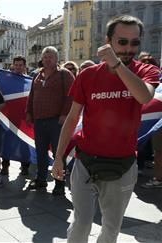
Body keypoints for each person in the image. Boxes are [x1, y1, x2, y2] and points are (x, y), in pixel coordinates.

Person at [52, 15, 160, 243]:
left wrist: (117, 64)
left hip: (123, 165)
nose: (129, 48)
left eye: (135, 43)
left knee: (111, 229)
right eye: (122, 42)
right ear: (108, 41)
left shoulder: (146, 71)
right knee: (81, 224)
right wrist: (59, 157)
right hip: (85, 162)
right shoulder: (88, 75)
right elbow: (72, 118)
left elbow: (143, 96)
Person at [26, 46, 74, 194]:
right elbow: (32, 95)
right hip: (40, 121)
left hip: (57, 121)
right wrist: (29, 112)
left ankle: (59, 184)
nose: (47, 59)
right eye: (45, 57)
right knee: (40, 152)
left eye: (51, 56)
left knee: (58, 153)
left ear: (56, 59)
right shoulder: (37, 75)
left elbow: (71, 96)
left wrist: (65, 114)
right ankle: (41, 180)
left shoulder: (64, 74)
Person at [1, 56, 31, 176]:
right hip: (8, 117)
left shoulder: (30, 81)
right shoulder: (6, 80)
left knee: (24, 143)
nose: (18, 67)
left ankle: (25, 167)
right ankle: (5, 167)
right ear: (13, 65)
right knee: (7, 143)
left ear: (24, 67)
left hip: (23, 118)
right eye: (16, 65)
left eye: (21, 65)